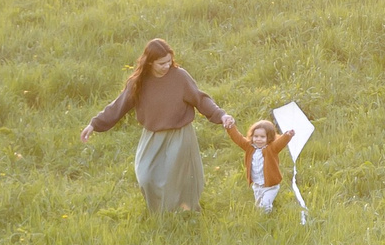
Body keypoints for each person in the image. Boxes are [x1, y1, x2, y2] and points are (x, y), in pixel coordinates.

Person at [80, 38, 232, 213]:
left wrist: (222, 115)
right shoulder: (138, 82)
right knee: (146, 176)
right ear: (150, 62)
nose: (167, 66)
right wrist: (94, 124)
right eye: (162, 63)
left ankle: (183, 215)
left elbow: (201, 99)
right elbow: (118, 105)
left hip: (179, 135)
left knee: (177, 180)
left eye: (169, 61)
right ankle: (158, 213)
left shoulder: (180, 77)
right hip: (152, 136)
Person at [227, 114, 297, 214]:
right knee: (258, 207)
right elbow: (238, 138)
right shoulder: (249, 147)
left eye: (262, 137)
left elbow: (280, 142)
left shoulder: (271, 148)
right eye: (256, 136)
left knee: (265, 206)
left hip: (270, 185)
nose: (258, 139)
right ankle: (263, 217)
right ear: (252, 136)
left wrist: (287, 135)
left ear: (269, 138)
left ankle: (267, 220)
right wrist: (230, 127)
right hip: (257, 185)